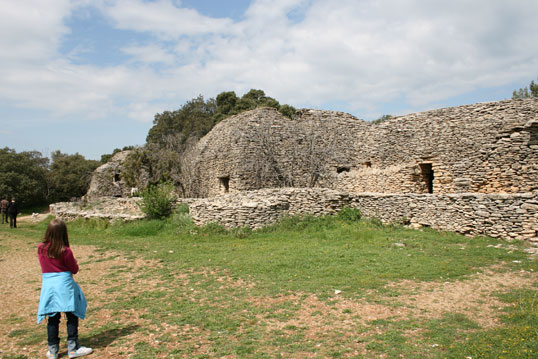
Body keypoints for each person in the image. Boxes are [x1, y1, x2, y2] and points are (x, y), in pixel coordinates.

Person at [37, 219, 93, 359]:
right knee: (72, 315)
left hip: (49, 286)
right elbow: (74, 269)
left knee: (53, 318)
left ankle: (53, 350)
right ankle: (73, 348)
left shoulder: (41, 248)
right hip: (64, 285)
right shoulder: (65, 251)